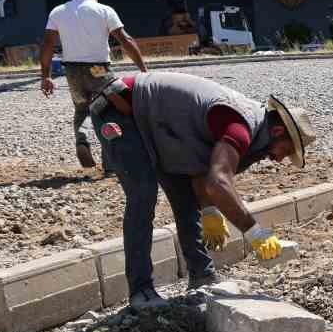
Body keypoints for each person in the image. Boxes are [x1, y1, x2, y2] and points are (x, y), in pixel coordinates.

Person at [86, 70, 316, 311]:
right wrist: (254, 233)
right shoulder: (240, 126)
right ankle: (140, 290)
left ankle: (201, 277)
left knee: (184, 198)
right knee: (142, 195)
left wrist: (208, 210)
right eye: (286, 151)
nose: (280, 160)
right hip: (121, 109)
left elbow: (199, 169)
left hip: (160, 128)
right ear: (278, 132)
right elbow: (218, 182)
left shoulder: (249, 126)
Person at [38, 0, 146, 170]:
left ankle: (82, 140)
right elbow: (125, 40)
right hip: (98, 69)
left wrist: (46, 76)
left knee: (82, 109)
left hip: (71, 70)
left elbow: (47, 45)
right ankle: (111, 161)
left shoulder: (58, 12)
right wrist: (142, 68)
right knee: (112, 108)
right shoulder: (104, 10)